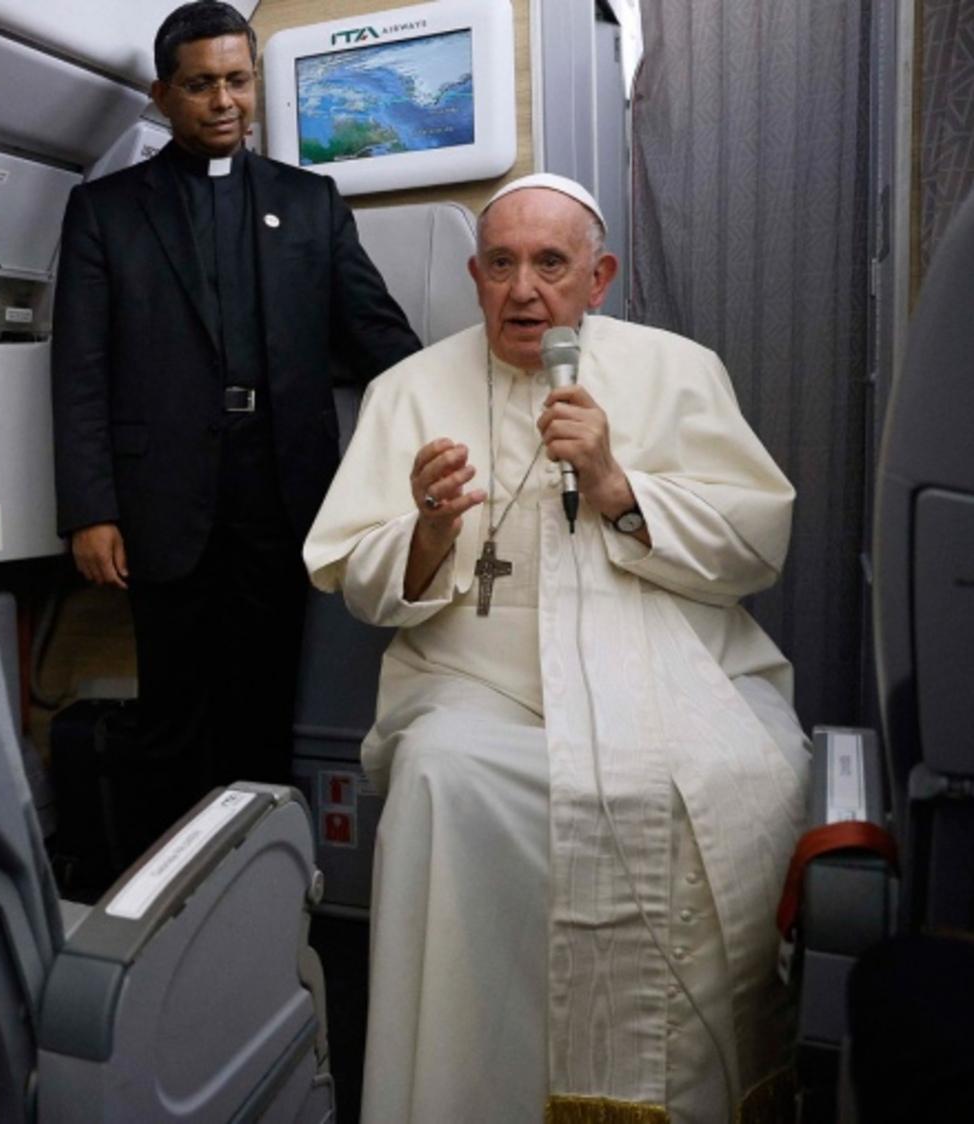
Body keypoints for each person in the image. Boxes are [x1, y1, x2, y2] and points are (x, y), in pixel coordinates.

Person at [302, 173, 808, 1123]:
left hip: (667, 665)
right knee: (441, 776)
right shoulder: (407, 390)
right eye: (501, 265)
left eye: (549, 263)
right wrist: (426, 532)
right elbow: (357, 582)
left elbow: (754, 549)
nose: (523, 289)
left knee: (750, 770)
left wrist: (618, 485)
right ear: (475, 275)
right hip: (475, 683)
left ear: (599, 276)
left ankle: (684, 1099)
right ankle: (460, 1095)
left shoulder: (680, 370)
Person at [50, 1, 418, 851]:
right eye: (202, 84)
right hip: (160, 502)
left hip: (281, 493)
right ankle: (163, 901)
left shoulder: (311, 204)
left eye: (238, 80)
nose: (224, 101)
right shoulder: (104, 212)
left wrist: (476, 404)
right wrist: (90, 510)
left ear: (256, 83)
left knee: (262, 716)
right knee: (172, 717)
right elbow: (78, 371)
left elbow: (380, 340)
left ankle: (262, 891)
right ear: (162, 95)